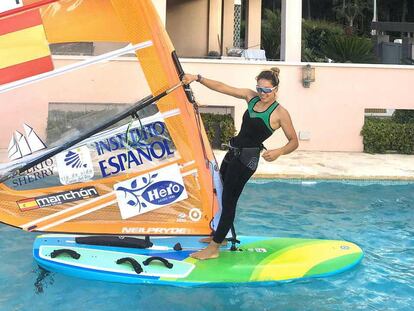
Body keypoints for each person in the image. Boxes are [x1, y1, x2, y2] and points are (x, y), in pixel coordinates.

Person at [182, 67, 299, 260]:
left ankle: (214, 248)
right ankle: (223, 236)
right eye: (259, 89)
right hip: (233, 153)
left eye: (267, 90)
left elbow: (294, 141)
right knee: (220, 192)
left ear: (276, 90)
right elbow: (222, 87)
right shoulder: (250, 97)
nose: (262, 94)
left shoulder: (280, 113)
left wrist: (279, 151)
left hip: (247, 160)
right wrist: (197, 78)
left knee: (229, 201)